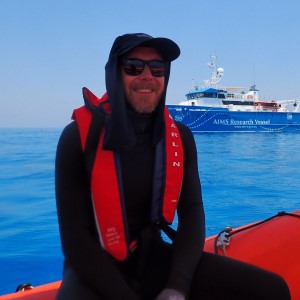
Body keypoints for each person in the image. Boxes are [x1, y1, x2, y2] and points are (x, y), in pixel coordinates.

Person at [55, 33, 291, 300]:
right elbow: (75, 241)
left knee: (272, 290)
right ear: (115, 73)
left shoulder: (181, 137)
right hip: (92, 271)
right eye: (134, 67)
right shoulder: (77, 139)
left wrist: (177, 286)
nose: (147, 76)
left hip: (154, 260)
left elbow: (191, 213)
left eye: (157, 69)